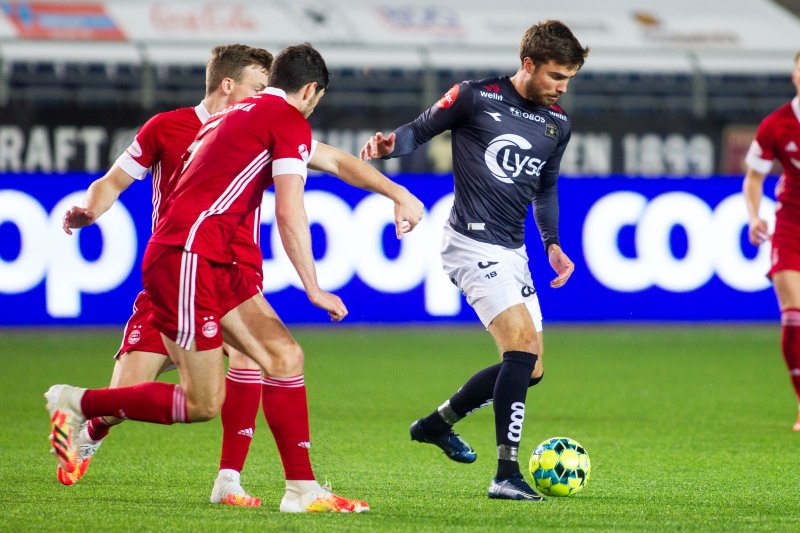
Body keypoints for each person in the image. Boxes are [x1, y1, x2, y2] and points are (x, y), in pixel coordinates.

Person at [49, 43, 423, 513]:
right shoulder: (217, 122)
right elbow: (290, 209)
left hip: (223, 266)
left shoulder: (243, 116)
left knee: (281, 355)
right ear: (308, 91)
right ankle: (79, 406)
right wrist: (312, 286)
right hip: (187, 261)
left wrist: (399, 192)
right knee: (189, 401)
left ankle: (286, 487)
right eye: (259, 84)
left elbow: (334, 160)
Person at [360, 20, 588, 500]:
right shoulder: (474, 96)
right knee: (521, 352)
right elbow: (417, 132)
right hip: (471, 241)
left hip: (513, 248)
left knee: (533, 368)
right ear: (528, 64)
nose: (562, 88)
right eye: (555, 76)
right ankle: (506, 474)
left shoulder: (557, 124)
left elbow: (545, 187)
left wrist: (551, 243)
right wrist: (388, 147)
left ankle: (436, 424)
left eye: (569, 78)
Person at [59, 43, 273, 506]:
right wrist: (90, 210)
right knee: (124, 397)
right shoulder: (167, 127)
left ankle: (229, 480)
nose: (265, 98)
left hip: (233, 276)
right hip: (175, 278)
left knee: (251, 357)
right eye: (258, 88)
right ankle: (91, 419)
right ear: (228, 84)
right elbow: (113, 180)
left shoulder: (261, 131)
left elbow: (309, 164)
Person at [743, 50, 800, 431]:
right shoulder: (776, 125)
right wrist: (754, 215)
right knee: (794, 313)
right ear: (794, 74)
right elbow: (753, 178)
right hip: (791, 227)